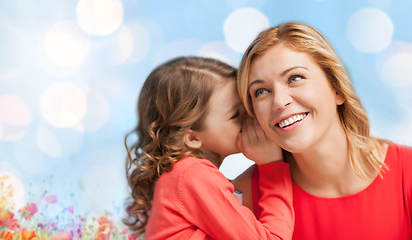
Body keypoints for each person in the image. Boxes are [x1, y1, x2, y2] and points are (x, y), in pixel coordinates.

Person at [236, 21, 412, 239]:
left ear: (337, 88)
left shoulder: (407, 172)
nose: (279, 102)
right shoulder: (242, 196)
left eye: (294, 78)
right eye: (261, 91)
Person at [124, 56, 294, 240]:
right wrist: (272, 166)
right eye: (236, 114)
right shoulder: (193, 174)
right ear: (192, 137)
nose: (250, 117)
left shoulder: (181, 176)